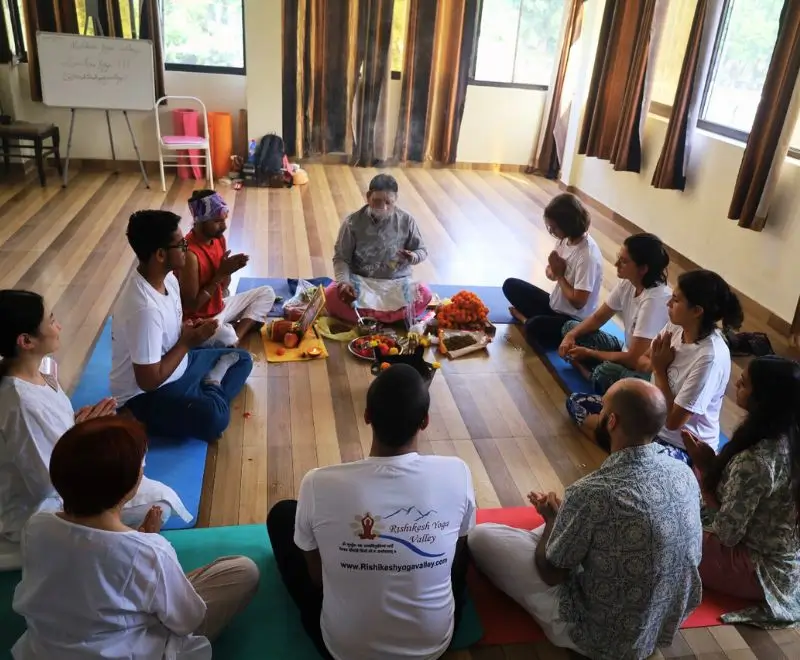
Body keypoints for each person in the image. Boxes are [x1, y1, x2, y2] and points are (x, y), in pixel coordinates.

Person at [469, 379, 702, 660]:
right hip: (661, 624)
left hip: (601, 637)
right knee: (578, 523)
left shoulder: (593, 493)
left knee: (481, 537)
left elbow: (552, 574)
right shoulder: (684, 473)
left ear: (612, 421)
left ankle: (551, 533)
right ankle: (554, 532)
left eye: (602, 408)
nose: (599, 414)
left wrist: (553, 522)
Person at [266, 364, 476, 660]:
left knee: (283, 515)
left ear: (367, 417)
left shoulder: (318, 482)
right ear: (425, 421)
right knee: (459, 541)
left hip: (343, 651)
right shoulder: (457, 472)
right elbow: (457, 552)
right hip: (432, 648)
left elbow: (318, 579)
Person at [12, 416, 259, 660]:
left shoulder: (37, 526)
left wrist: (142, 545)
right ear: (131, 484)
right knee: (243, 571)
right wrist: (147, 546)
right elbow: (188, 620)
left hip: (44, 652)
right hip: (130, 651)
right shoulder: (150, 551)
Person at [0, 290, 191, 551]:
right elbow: (49, 484)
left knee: (140, 474)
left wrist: (79, 427)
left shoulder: (38, 372)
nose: (59, 326)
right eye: (51, 320)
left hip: (69, 473)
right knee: (162, 503)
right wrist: (84, 435)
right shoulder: (22, 403)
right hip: (39, 513)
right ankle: (109, 547)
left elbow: (55, 440)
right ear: (26, 341)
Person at [567, 269, 742, 463]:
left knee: (642, 456)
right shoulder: (676, 326)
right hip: (649, 420)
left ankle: (626, 454)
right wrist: (654, 366)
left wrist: (659, 369)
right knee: (577, 402)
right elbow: (642, 360)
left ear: (697, 311)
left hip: (681, 445)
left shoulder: (709, 358)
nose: (668, 303)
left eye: (675, 300)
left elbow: (673, 421)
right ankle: (626, 455)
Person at [111, 210, 253, 442]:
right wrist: (188, 342)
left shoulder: (167, 278)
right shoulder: (144, 309)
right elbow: (147, 381)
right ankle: (210, 388)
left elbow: (172, 328)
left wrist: (189, 328)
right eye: (181, 245)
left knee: (242, 359)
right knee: (214, 420)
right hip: (146, 395)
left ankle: (207, 388)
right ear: (160, 254)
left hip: (177, 364)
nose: (187, 248)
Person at [684, 356, 800, 627]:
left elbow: (727, 534)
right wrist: (708, 467)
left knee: (669, 528)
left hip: (758, 569)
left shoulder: (757, 460)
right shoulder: (789, 435)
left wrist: (705, 476)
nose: (737, 382)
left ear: (764, 399)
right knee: (685, 486)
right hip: (783, 562)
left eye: (745, 383)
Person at [558, 233, 671, 393]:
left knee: (603, 373)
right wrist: (571, 335)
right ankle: (591, 365)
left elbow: (634, 360)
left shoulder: (655, 301)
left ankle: (591, 371)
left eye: (624, 261)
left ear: (643, 269)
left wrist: (590, 352)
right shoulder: (627, 283)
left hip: (643, 370)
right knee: (570, 327)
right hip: (625, 351)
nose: (616, 263)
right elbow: (598, 318)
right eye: (619, 258)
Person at [324, 174, 432, 324]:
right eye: (377, 201)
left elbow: (422, 250)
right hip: (362, 282)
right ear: (368, 197)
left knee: (425, 294)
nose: (383, 207)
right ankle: (393, 317)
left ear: (395, 200)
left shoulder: (406, 221)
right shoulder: (352, 223)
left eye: (388, 202)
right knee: (330, 296)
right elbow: (341, 258)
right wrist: (344, 283)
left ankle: (368, 318)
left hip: (396, 283)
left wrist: (413, 256)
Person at [503, 193, 603, 350]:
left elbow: (579, 302)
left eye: (554, 227)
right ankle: (537, 320)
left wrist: (559, 276)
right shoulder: (565, 240)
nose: (551, 231)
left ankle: (524, 319)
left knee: (534, 326)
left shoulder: (587, 256)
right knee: (510, 285)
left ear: (568, 224)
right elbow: (550, 272)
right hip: (554, 305)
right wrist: (554, 273)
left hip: (573, 321)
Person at [178, 190, 275, 347]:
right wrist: (219, 275)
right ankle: (232, 337)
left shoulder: (218, 239)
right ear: (200, 221)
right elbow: (191, 306)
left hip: (220, 307)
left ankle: (235, 337)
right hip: (198, 320)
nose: (223, 226)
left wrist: (229, 271)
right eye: (217, 221)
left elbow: (224, 288)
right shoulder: (190, 255)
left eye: (224, 220)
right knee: (227, 336)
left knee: (267, 292)